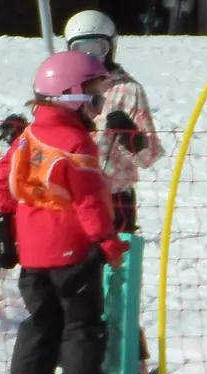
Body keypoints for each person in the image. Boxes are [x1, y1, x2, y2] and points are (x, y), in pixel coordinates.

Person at [0, 50, 127, 374]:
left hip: (33, 252)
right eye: (95, 99)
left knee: (42, 320)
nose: (97, 110)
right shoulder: (76, 143)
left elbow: (2, 178)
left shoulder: (26, 137)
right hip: (73, 248)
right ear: (72, 96)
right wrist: (105, 239)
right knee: (81, 321)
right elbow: (88, 199)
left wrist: (6, 220)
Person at [61, 10, 162, 235]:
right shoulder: (64, 89)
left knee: (114, 264)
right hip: (69, 196)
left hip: (115, 197)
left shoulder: (129, 91)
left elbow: (149, 157)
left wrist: (131, 137)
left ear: (111, 47)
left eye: (96, 48)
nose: (89, 57)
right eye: (81, 49)